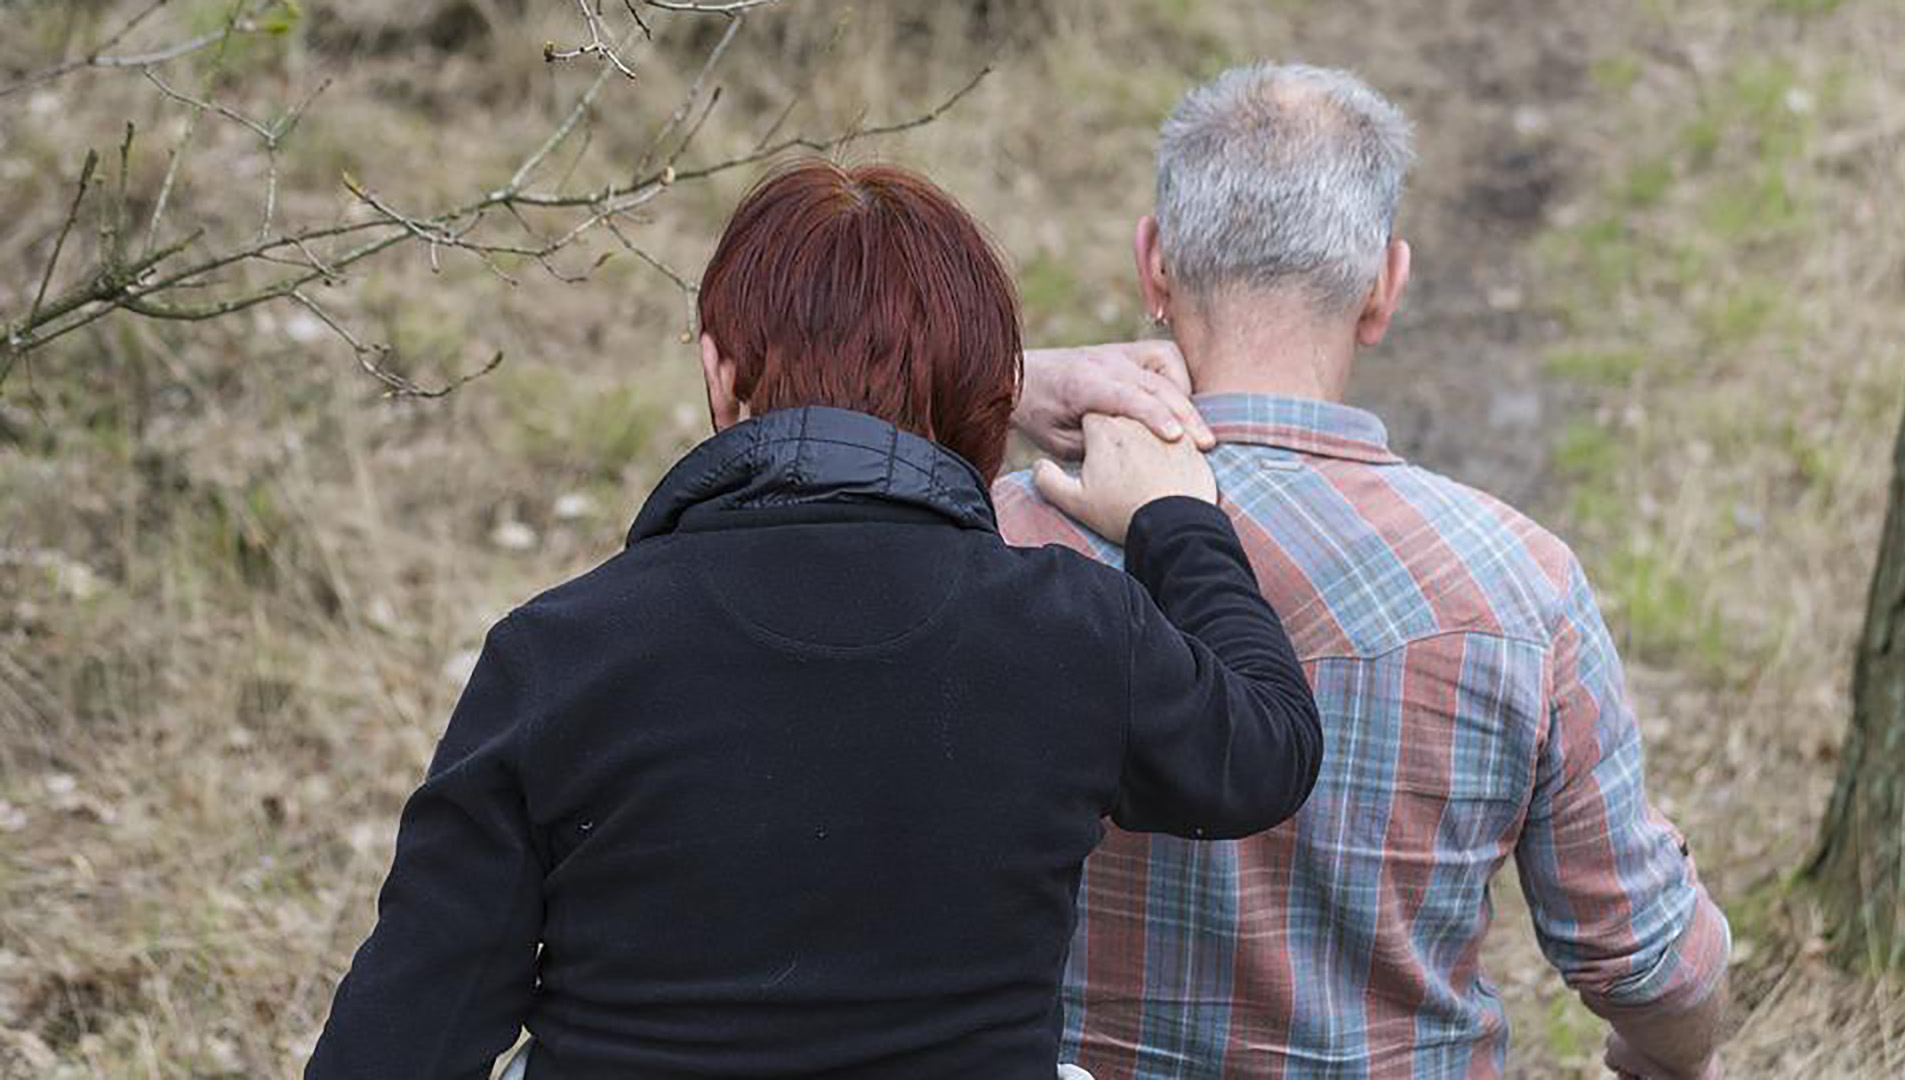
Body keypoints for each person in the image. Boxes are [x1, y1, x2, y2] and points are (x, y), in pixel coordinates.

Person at [304, 159, 1323, 1080]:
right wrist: (1175, 521)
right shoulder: (1070, 632)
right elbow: (1268, 751)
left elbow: (400, 1044)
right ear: (990, 399)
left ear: (717, 372)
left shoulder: (563, 653)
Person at [995, 63, 1731, 1079]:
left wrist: (1005, 381)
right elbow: (1652, 970)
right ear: (1386, 287)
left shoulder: (999, 541)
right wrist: (1667, 1058)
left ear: (1154, 265)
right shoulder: (1522, 586)